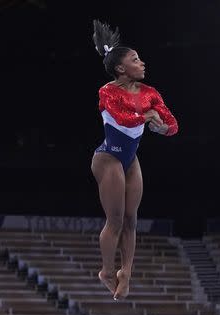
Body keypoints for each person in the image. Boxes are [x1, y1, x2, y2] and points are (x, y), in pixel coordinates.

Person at [91, 20, 178, 300]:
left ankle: (125, 273)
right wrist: (148, 117)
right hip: (108, 158)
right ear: (120, 68)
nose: (142, 63)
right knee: (114, 220)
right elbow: (121, 118)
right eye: (135, 59)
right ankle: (107, 270)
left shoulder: (151, 93)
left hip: (130, 159)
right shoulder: (108, 91)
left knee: (131, 220)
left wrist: (163, 127)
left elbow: (172, 124)